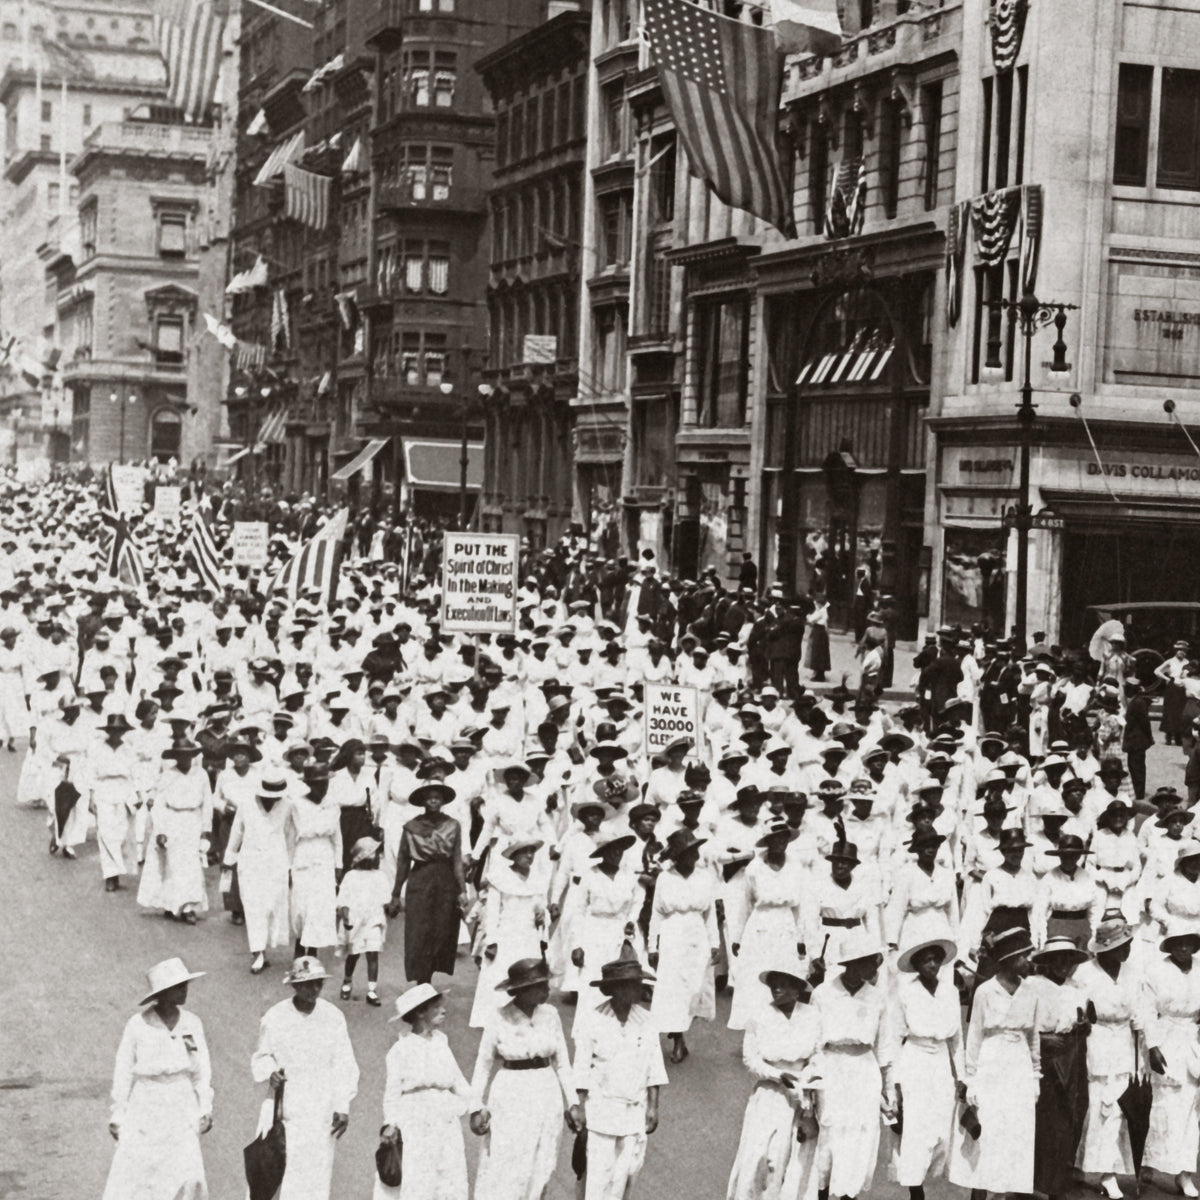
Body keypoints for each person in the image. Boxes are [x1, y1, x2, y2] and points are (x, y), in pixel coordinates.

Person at [469, 957, 583, 1200]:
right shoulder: (499, 1017)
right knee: (509, 1162)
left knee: (544, 1161)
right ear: (522, 990)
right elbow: (483, 1063)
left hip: (546, 1092)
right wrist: (475, 1107)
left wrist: (572, 1102)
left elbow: (562, 1062)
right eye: (541, 986)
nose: (547, 990)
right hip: (511, 1095)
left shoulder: (551, 1015)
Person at [251, 955, 359, 1200]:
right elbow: (261, 1056)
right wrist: (271, 1073)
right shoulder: (275, 1016)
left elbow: (345, 1064)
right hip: (284, 1110)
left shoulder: (333, 1017)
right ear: (294, 985)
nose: (314, 989)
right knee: (274, 1177)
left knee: (315, 1180)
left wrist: (343, 1105)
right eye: (308, 984)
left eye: (318, 983)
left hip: (320, 1112)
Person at [103, 958, 212, 1200]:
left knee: (186, 1173)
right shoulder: (137, 1026)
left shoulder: (192, 1023)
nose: (184, 990)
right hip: (146, 1104)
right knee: (144, 1175)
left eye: (185, 985)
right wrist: (118, 1112)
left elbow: (201, 1070)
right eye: (178, 986)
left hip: (182, 1103)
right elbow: (123, 1071)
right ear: (162, 994)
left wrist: (205, 1106)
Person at [949, 926, 1040, 1197]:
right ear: (1009, 959)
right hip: (992, 1064)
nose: (1028, 961)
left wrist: (1036, 1075)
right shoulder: (986, 992)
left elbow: (1033, 1036)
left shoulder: (1031, 991)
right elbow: (974, 1036)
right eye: (1023, 956)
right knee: (988, 1134)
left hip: (1020, 1067)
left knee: (1015, 1134)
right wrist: (971, 1079)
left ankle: (1004, 1195)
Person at [575, 945, 668, 1200]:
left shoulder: (647, 1021)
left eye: (638, 984)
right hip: (601, 1112)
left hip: (634, 1112)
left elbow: (654, 1066)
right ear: (614, 989)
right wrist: (580, 1107)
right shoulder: (592, 1020)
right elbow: (581, 1068)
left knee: (627, 1175)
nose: (638, 990)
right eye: (630, 985)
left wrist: (653, 1107)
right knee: (599, 1179)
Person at [726, 955, 821, 1200]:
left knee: (793, 1159)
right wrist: (778, 1075)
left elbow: (819, 1054)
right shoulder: (759, 1015)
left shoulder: (812, 1015)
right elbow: (751, 1059)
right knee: (761, 1157)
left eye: (785, 983)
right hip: (769, 1095)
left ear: (798, 988)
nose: (777, 989)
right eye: (774, 984)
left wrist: (807, 1077)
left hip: (802, 1095)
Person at [810, 929, 892, 1200]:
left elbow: (884, 1047)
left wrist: (889, 1090)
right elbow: (814, 1043)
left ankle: (850, 1196)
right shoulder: (823, 994)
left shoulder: (878, 997)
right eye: (869, 960)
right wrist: (812, 1083)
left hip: (864, 1070)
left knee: (861, 1136)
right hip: (832, 1069)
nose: (875, 965)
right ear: (853, 963)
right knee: (831, 1133)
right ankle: (822, 1192)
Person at [375, 983, 470, 1200]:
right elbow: (392, 1092)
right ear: (420, 1013)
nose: (444, 1010)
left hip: (444, 1119)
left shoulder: (442, 1042)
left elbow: (457, 1079)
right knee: (419, 1176)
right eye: (436, 1007)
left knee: (448, 1174)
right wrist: (390, 1123)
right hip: (416, 1120)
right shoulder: (400, 1050)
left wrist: (477, 1106)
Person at [1074, 918, 1144, 1200]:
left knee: (1118, 1109)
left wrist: (1145, 1047)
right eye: (1120, 946)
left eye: (1128, 944)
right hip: (1096, 1043)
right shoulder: (1085, 973)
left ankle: (1108, 1172)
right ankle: (1093, 1169)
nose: (1126, 950)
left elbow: (1140, 1011)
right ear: (1104, 949)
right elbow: (1076, 1010)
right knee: (1098, 1107)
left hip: (1124, 1045)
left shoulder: (1133, 972)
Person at [890, 938, 963, 1200]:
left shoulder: (951, 991)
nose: (931, 964)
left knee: (941, 1129)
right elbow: (895, 1037)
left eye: (936, 959)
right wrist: (894, 1083)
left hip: (941, 1059)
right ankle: (915, 1190)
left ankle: (925, 1177)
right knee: (916, 1127)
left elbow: (957, 1039)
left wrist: (962, 1075)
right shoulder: (905, 991)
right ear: (917, 964)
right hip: (915, 1058)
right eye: (926, 960)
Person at [649, 828, 720, 1064]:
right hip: (672, 934)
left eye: (695, 850)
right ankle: (678, 1038)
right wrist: (652, 946)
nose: (694, 855)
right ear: (677, 856)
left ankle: (680, 1029)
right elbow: (656, 914)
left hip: (697, 934)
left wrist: (715, 942)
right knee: (673, 989)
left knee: (695, 987)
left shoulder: (705, 877)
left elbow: (710, 913)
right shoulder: (665, 878)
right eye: (688, 852)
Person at [386, 781, 468, 985]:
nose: (433, 800)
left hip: (445, 880)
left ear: (442, 801)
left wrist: (462, 889)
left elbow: (457, 858)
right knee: (419, 932)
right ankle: (421, 981)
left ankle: (429, 976)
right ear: (423, 801)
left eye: (437, 797)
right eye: (429, 797)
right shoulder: (411, 827)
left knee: (441, 931)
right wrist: (396, 893)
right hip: (420, 879)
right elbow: (404, 860)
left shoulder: (453, 825)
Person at [1143, 926, 1200, 1196]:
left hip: (1193, 1041)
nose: (1183, 948)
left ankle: (1185, 1173)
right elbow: (1146, 1009)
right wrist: (1153, 1046)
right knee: (1163, 1108)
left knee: (1191, 1111)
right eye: (1177, 943)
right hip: (1166, 1040)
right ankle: (1148, 1165)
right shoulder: (1157, 971)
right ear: (1171, 946)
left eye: (1187, 943)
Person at [223, 775, 294, 974]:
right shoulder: (247, 804)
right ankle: (258, 952)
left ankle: (264, 947)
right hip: (251, 862)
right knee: (254, 907)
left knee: (272, 906)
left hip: (277, 863)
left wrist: (290, 866)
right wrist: (228, 859)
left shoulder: (287, 806)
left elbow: (289, 836)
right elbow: (237, 832)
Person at [136, 741, 212, 924]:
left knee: (191, 865)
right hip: (173, 821)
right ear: (175, 757)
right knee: (174, 865)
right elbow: (159, 803)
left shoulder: (201, 775)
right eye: (180, 755)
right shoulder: (168, 776)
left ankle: (188, 906)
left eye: (188, 755)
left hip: (193, 820)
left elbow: (207, 802)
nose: (184, 758)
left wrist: (206, 829)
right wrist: (160, 830)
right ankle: (174, 904)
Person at [338, 836, 390, 1004]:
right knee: (353, 954)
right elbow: (343, 900)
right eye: (370, 854)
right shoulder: (351, 876)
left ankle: (372, 989)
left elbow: (385, 898)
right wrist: (346, 917)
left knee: (372, 953)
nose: (373, 858)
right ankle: (347, 981)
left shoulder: (380, 876)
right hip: (355, 920)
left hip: (374, 919)